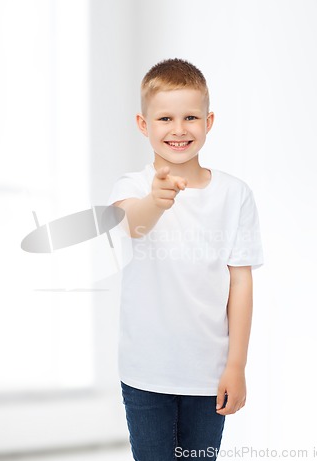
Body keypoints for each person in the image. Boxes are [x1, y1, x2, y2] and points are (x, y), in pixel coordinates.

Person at [107, 58, 264, 461]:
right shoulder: (134, 186)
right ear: (144, 125)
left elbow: (241, 283)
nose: (179, 130)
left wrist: (237, 366)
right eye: (165, 119)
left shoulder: (235, 194)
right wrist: (156, 200)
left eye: (190, 117)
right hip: (145, 372)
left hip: (209, 375)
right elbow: (132, 225)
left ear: (208, 122)